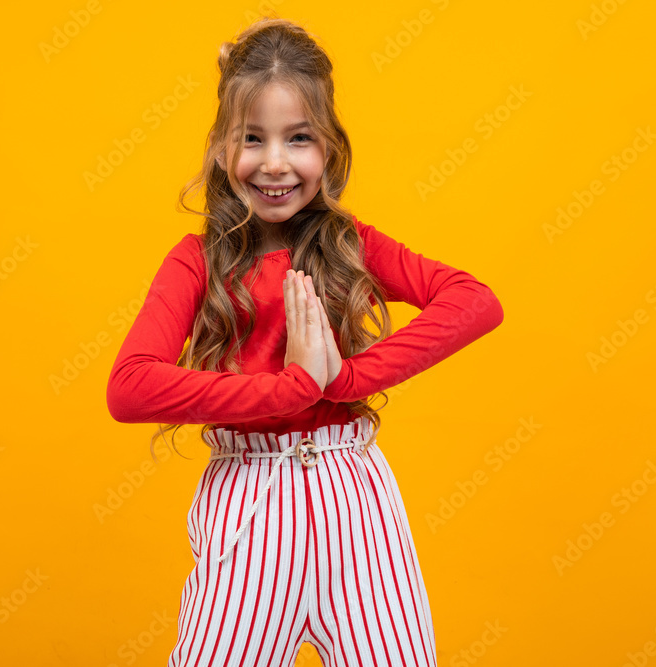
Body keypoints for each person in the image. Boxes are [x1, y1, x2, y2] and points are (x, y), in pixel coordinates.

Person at [106, 16, 503, 667]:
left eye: (299, 139)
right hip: (252, 509)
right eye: (252, 138)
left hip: (358, 504)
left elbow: (473, 301)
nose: (275, 162)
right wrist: (289, 386)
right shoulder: (197, 260)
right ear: (220, 147)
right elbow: (130, 386)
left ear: (330, 148)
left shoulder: (351, 244)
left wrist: (342, 380)